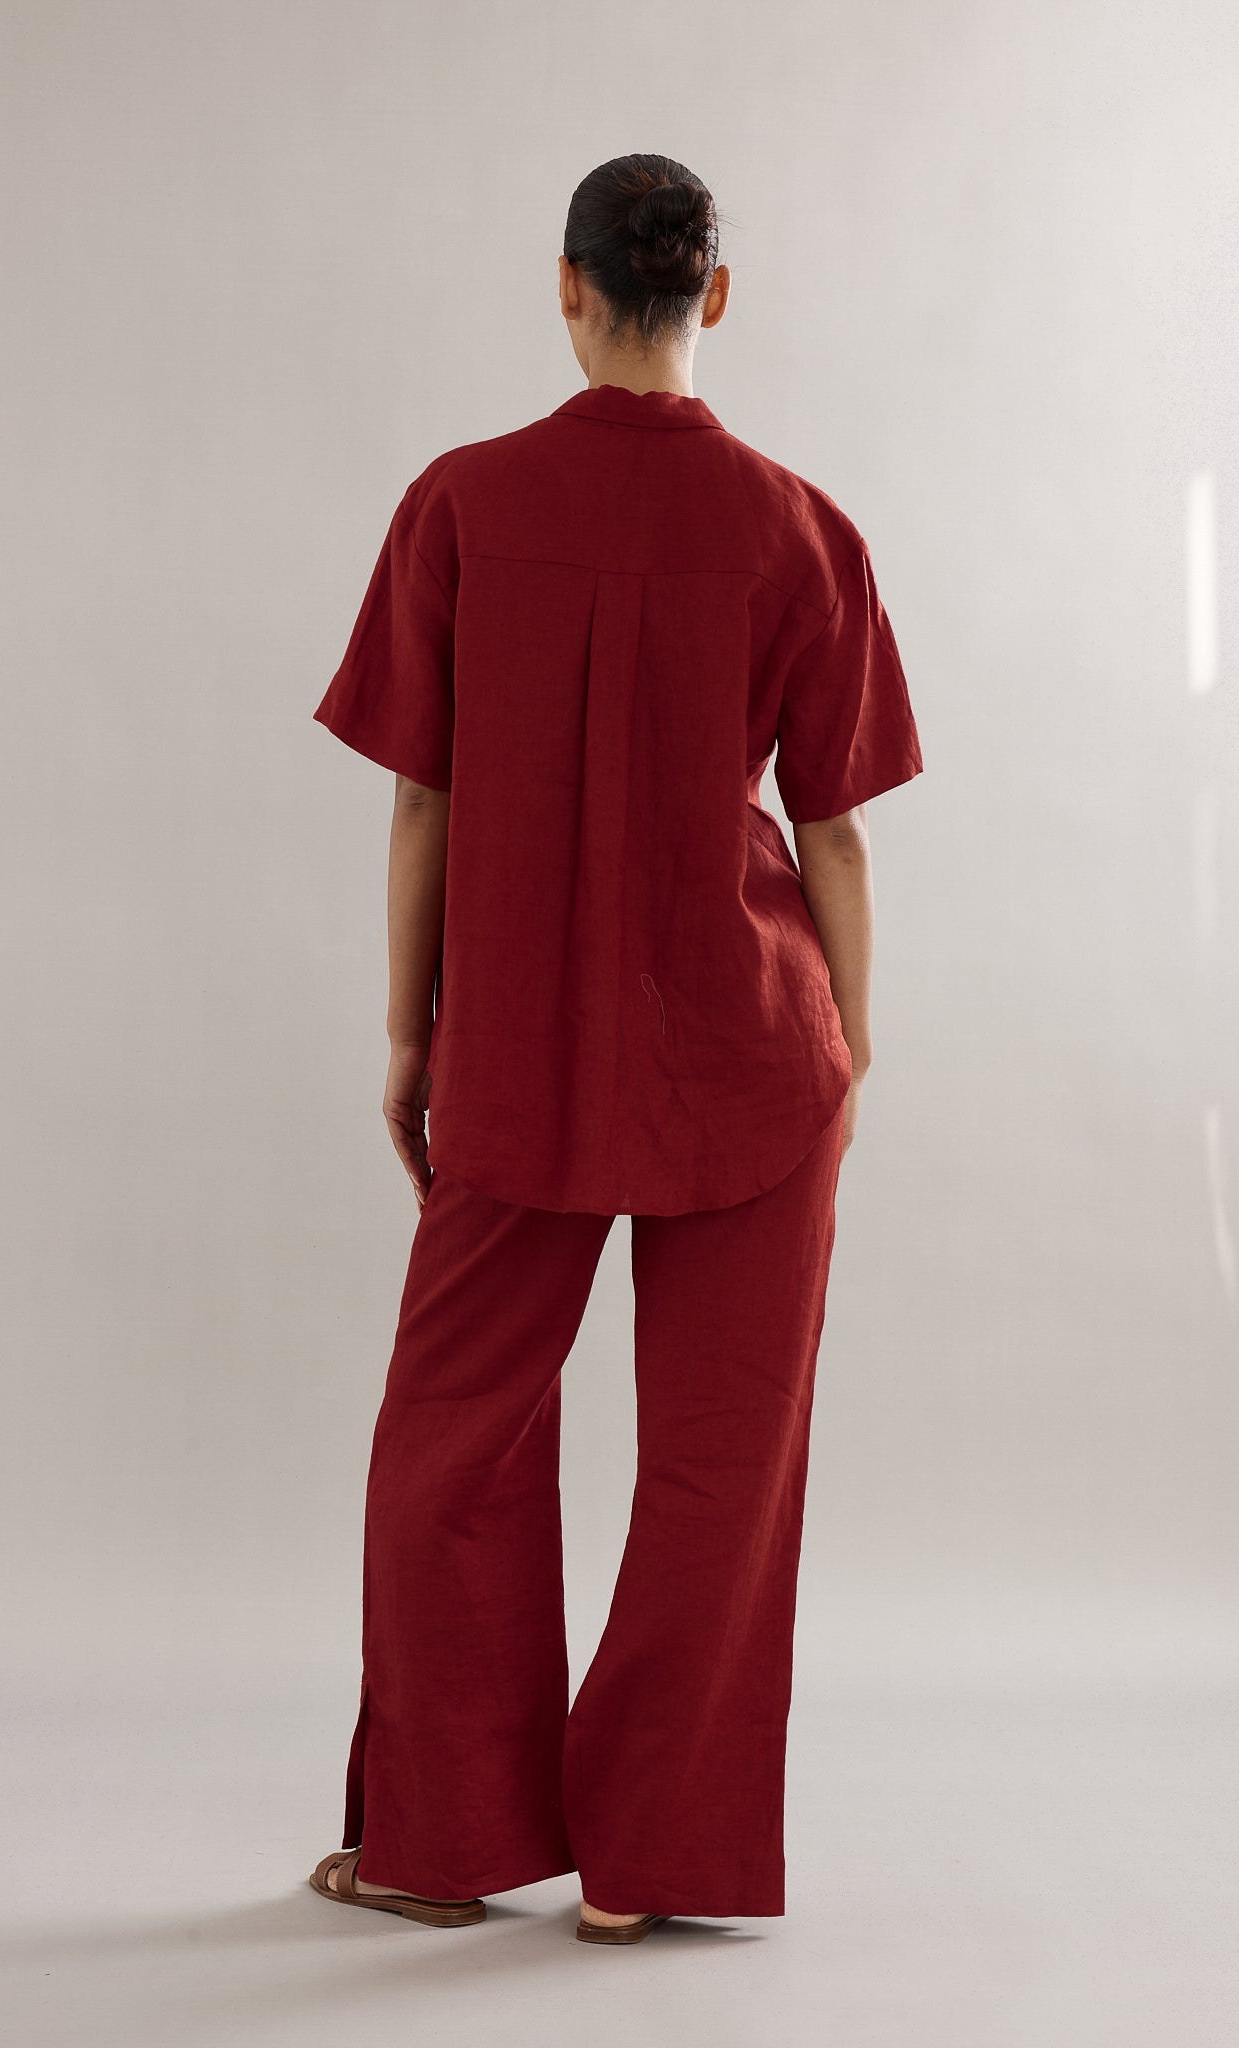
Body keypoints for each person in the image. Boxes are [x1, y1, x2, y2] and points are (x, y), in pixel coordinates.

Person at [306, 153, 923, 1946]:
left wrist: (410, 1033)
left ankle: (435, 1844)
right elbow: (833, 835)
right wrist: (852, 1045)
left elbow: (422, 800)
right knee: (725, 1459)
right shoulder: (802, 528)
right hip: (753, 1049)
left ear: (566, 286)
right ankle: (648, 1874)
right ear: (712, 295)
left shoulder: (458, 503)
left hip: (515, 1038)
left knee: (451, 1439)